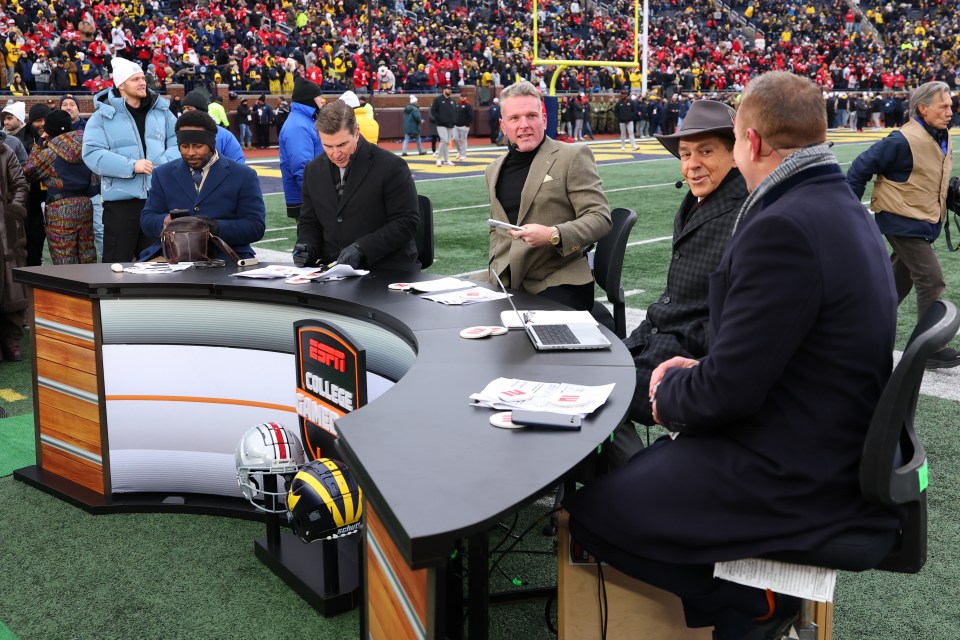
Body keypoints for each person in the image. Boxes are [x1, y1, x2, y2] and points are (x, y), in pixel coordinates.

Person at [564, 71, 903, 640]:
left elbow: (729, 395)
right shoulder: (839, 205)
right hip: (822, 429)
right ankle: (743, 602)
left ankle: (746, 601)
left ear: (752, 142)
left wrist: (664, 390)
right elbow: (783, 350)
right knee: (639, 477)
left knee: (593, 514)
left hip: (792, 463)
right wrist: (701, 371)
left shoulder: (785, 226)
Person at [613, 100, 748, 464]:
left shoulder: (745, 214)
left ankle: (632, 481)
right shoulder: (697, 202)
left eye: (706, 151)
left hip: (689, 355)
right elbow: (674, 298)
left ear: (735, 154)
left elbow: (727, 321)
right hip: (661, 339)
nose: (692, 164)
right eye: (686, 154)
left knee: (603, 392)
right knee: (591, 376)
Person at [847, 80, 958, 368]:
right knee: (931, 278)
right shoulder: (901, 139)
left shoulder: (940, 134)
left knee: (897, 282)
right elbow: (860, 167)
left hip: (921, 218)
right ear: (923, 108)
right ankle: (930, 347)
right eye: (943, 106)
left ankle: (856, 330)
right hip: (903, 219)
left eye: (950, 105)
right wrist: (848, 208)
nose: (950, 110)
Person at [485, 80, 611, 311]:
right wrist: (496, 266)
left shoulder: (572, 156)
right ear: (503, 126)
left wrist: (554, 235)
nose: (524, 125)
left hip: (558, 279)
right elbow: (496, 228)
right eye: (515, 118)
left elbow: (600, 218)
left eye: (531, 115)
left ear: (544, 118)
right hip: (506, 280)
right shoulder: (493, 169)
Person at [292, 99, 419, 270]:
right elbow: (309, 222)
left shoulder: (391, 166)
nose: (336, 154)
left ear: (357, 132)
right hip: (332, 270)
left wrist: (362, 249)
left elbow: (406, 223)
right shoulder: (312, 170)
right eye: (328, 146)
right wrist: (307, 246)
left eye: (342, 144)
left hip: (385, 270)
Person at [82, 57, 179, 263]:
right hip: (120, 205)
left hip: (157, 199)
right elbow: (92, 154)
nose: (142, 82)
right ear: (121, 84)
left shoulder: (162, 112)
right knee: (117, 263)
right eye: (135, 79)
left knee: (158, 261)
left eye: (143, 78)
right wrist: (131, 166)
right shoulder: (101, 117)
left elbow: (178, 143)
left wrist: (162, 165)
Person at [139, 110, 265, 261]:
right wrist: (167, 221)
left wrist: (214, 227)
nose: (191, 153)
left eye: (198, 146)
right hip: (173, 255)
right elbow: (147, 219)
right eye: (184, 146)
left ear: (211, 144)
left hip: (226, 256)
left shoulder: (244, 175)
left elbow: (255, 227)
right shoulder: (162, 174)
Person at [23, 109, 97, 264]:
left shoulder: (50, 153)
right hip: (85, 203)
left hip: (60, 206)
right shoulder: (87, 146)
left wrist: (39, 146)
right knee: (87, 255)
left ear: (48, 131)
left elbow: (29, 171)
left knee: (64, 260)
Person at [0, 133, 30, 362]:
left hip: (6, 230)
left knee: (13, 287)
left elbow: (20, 183)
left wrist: (13, 211)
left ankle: (12, 340)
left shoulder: (5, 151)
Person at [280, 77, 325, 219]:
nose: (323, 101)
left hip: (310, 195)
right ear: (309, 99)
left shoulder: (305, 121)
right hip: (308, 199)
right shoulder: (298, 125)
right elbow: (303, 167)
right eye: (319, 97)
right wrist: (320, 198)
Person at [180, 89, 245, 164]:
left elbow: (238, 163)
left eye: (189, 108)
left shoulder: (223, 135)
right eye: (183, 108)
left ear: (201, 111)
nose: (185, 111)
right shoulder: (178, 134)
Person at [429, 85, 456, 167]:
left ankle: (447, 159)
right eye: (448, 89)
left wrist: (454, 120)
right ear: (444, 90)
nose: (450, 90)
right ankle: (438, 158)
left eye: (451, 89)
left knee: (447, 142)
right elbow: (433, 110)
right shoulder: (438, 99)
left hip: (450, 124)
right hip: (441, 124)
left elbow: (456, 111)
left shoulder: (452, 100)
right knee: (443, 140)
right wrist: (439, 119)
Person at [454, 93, 473, 161]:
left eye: (464, 96)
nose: (462, 97)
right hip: (456, 125)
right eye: (461, 96)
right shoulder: (458, 104)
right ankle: (459, 151)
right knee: (455, 139)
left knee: (463, 140)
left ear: (466, 97)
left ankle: (463, 154)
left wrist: (467, 125)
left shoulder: (468, 105)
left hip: (464, 126)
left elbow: (471, 116)